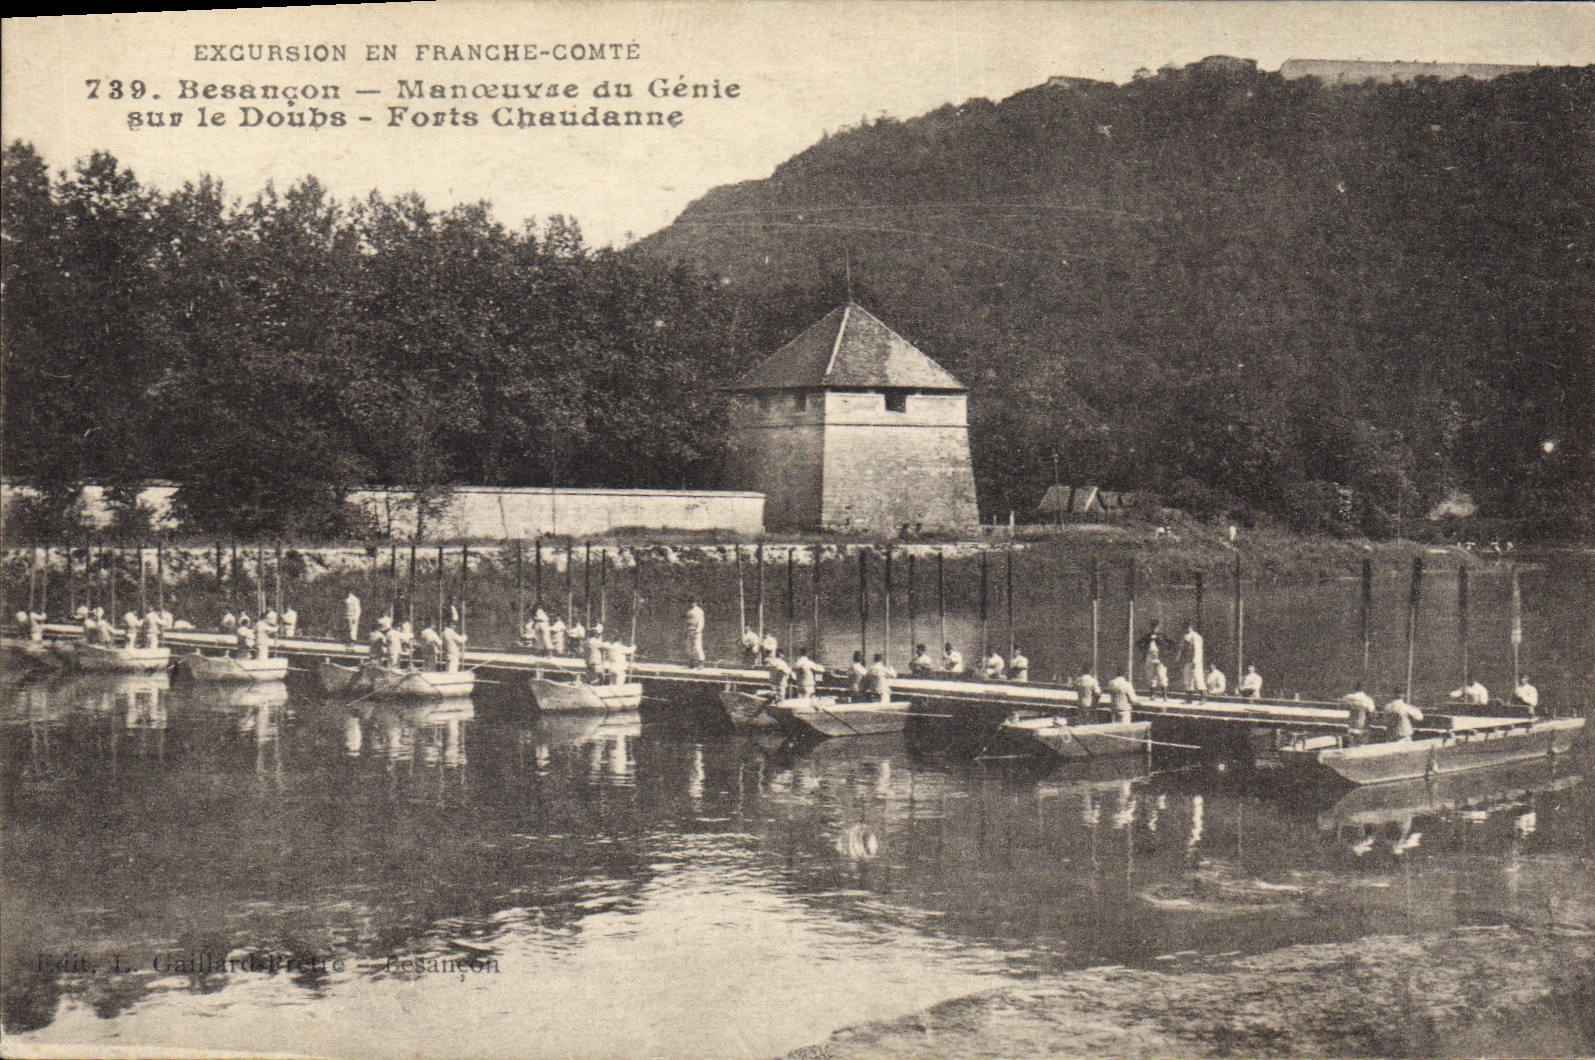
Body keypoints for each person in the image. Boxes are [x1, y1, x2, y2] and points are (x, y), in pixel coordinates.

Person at [1178, 623, 1205, 701]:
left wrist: (1195, 661)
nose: (1186, 628)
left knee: (1198, 678)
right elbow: (1182, 648)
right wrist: (1179, 658)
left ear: (1191, 627)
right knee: (1187, 679)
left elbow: (1198, 650)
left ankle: (1203, 698)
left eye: (1187, 627)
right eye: (1185, 627)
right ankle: (1189, 699)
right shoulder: (1184, 636)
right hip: (1187, 660)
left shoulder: (1196, 637)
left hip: (1195, 661)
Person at [1137, 621, 1169, 687]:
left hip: (1159, 657)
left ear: (1158, 628)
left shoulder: (1162, 636)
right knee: (1150, 675)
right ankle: (1152, 695)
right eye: (1152, 627)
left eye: (1155, 627)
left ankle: (1164, 696)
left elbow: (1170, 644)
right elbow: (1138, 643)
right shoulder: (1147, 636)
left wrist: (1165, 652)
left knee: (1161, 674)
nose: (1154, 629)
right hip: (1150, 656)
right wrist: (1143, 651)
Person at [684, 598, 706, 667]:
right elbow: (687, 621)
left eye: (692, 602)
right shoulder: (689, 611)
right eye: (690, 602)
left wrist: (698, 630)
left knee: (697, 647)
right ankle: (691, 662)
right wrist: (686, 629)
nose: (691, 604)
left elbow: (701, 622)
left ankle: (701, 663)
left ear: (695, 602)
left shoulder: (699, 611)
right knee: (689, 647)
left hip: (696, 631)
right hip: (689, 630)